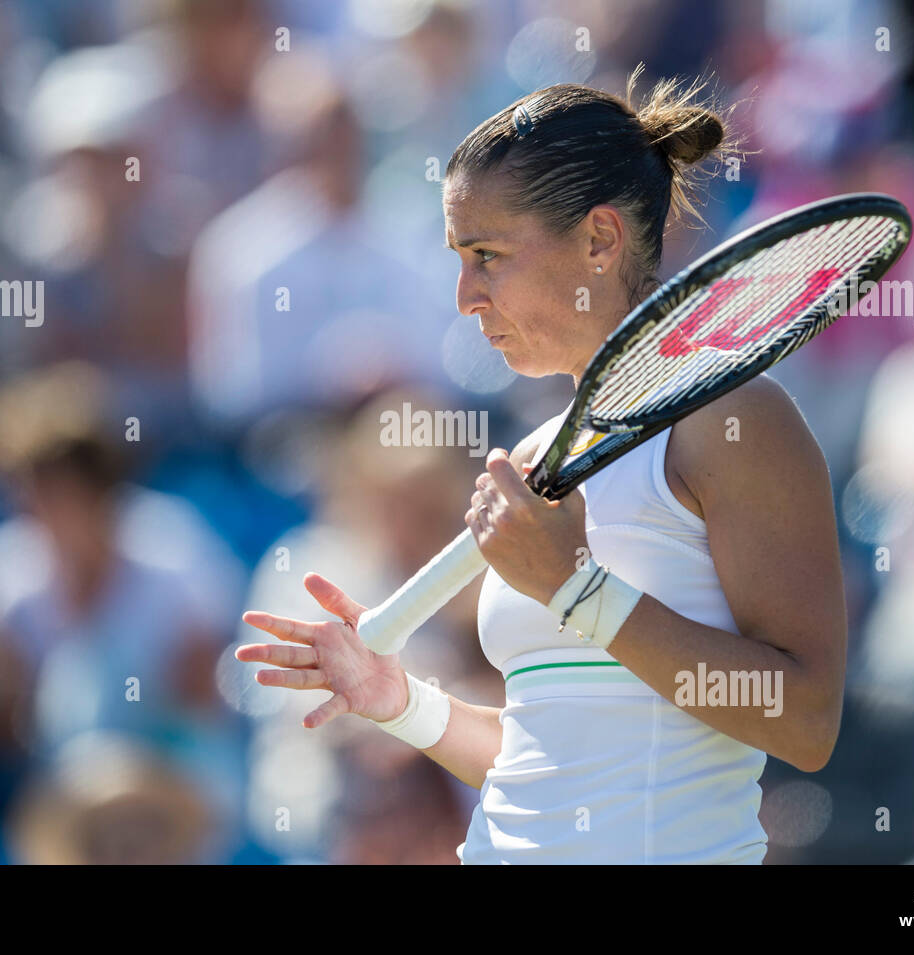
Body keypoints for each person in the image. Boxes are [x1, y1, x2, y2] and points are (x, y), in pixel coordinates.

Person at [239, 71, 848, 864]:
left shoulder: (736, 421)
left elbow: (802, 719)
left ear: (599, 238)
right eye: (459, 258)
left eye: (487, 255)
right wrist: (401, 703)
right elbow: (550, 757)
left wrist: (579, 588)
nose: (464, 296)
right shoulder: (535, 455)